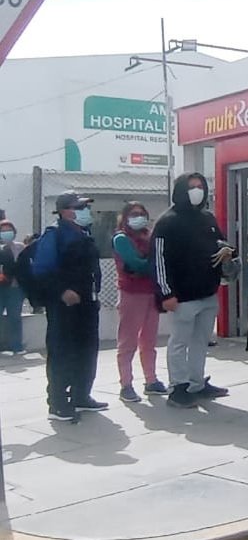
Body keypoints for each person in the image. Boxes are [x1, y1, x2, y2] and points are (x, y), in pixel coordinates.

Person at [152, 173, 236, 409]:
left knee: (201, 342)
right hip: (182, 297)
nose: (197, 191)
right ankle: (178, 387)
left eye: (200, 186)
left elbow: (222, 243)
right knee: (179, 342)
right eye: (192, 187)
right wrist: (165, 294)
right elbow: (158, 261)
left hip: (208, 293)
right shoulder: (167, 222)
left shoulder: (207, 218)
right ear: (180, 190)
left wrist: (230, 251)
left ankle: (197, 383)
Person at [34, 192, 106, 421]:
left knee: (87, 350)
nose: (86, 211)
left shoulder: (84, 234)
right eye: (80, 207)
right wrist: (62, 291)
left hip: (87, 303)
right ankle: (57, 402)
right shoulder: (54, 235)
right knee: (62, 352)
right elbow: (41, 270)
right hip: (64, 306)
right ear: (65, 211)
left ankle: (81, 395)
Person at [112, 202, 168, 403]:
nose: (139, 217)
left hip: (150, 293)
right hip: (131, 293)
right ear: (125, 217)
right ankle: (126, 384)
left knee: (149, 341)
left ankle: (151, 380)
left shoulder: (149, 236)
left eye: (142, 214)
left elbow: (159, 258)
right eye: (134, 214)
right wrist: (150, 264)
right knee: (128, 341)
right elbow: (136, 263)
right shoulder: (121, 238)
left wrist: (148, 265)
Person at [0, 219, 25, 354]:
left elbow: (25, 265)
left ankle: (17, 346)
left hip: (15, 288)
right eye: (2, 231)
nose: (6, 233)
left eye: (8, 230)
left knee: (14, 317)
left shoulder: (20, 247)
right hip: (0, 287)